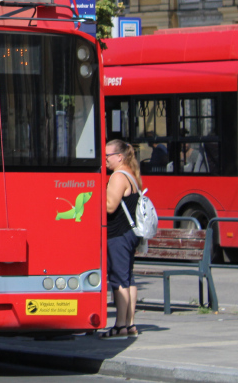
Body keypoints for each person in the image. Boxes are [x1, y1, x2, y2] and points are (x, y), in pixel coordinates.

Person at [104, 138, 142, 338]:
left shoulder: (118, 176)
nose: (104, 160)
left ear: (119, 157)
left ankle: (120, 325)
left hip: (118, 234)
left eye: (107, 156)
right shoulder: (131, 174)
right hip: (130, 233)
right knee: (128, 278)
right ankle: (130, 323)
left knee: (118, 279)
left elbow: (110, 206)